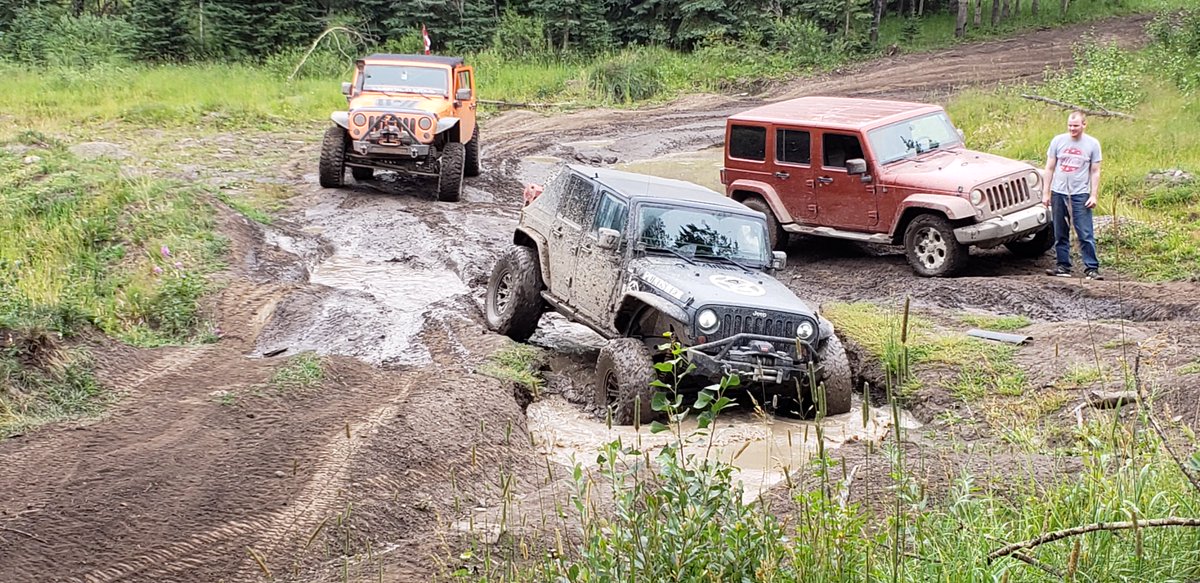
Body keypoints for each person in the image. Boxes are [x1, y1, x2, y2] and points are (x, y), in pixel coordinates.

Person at [1043, 111, 1103, 280]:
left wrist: (1094, 195)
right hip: (1059, 192)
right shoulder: (1058, 141)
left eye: (1076, 126)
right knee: (1060, 231)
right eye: (1070, 125)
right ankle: (1063, 267)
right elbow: (1049, 168)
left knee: (1085, 232)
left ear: (1084, 125)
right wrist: (1046, 193)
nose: (1072, 129)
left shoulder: (1092, 144)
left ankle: (1091, 268)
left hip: (1080, 194)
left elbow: (1095, 171)